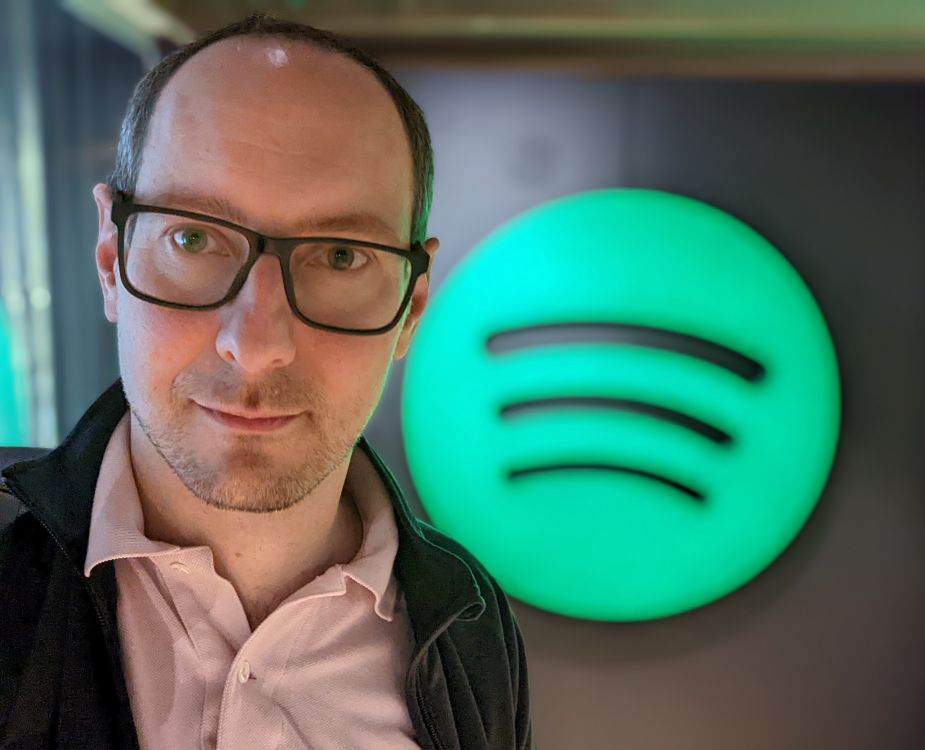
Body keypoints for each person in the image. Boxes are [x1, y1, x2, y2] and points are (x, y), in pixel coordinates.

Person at [0, 14, 533, 750]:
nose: (254, 345)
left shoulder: (469, 622)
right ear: (109, 258)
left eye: (342, 255)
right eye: (192, 237)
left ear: (411, 308)